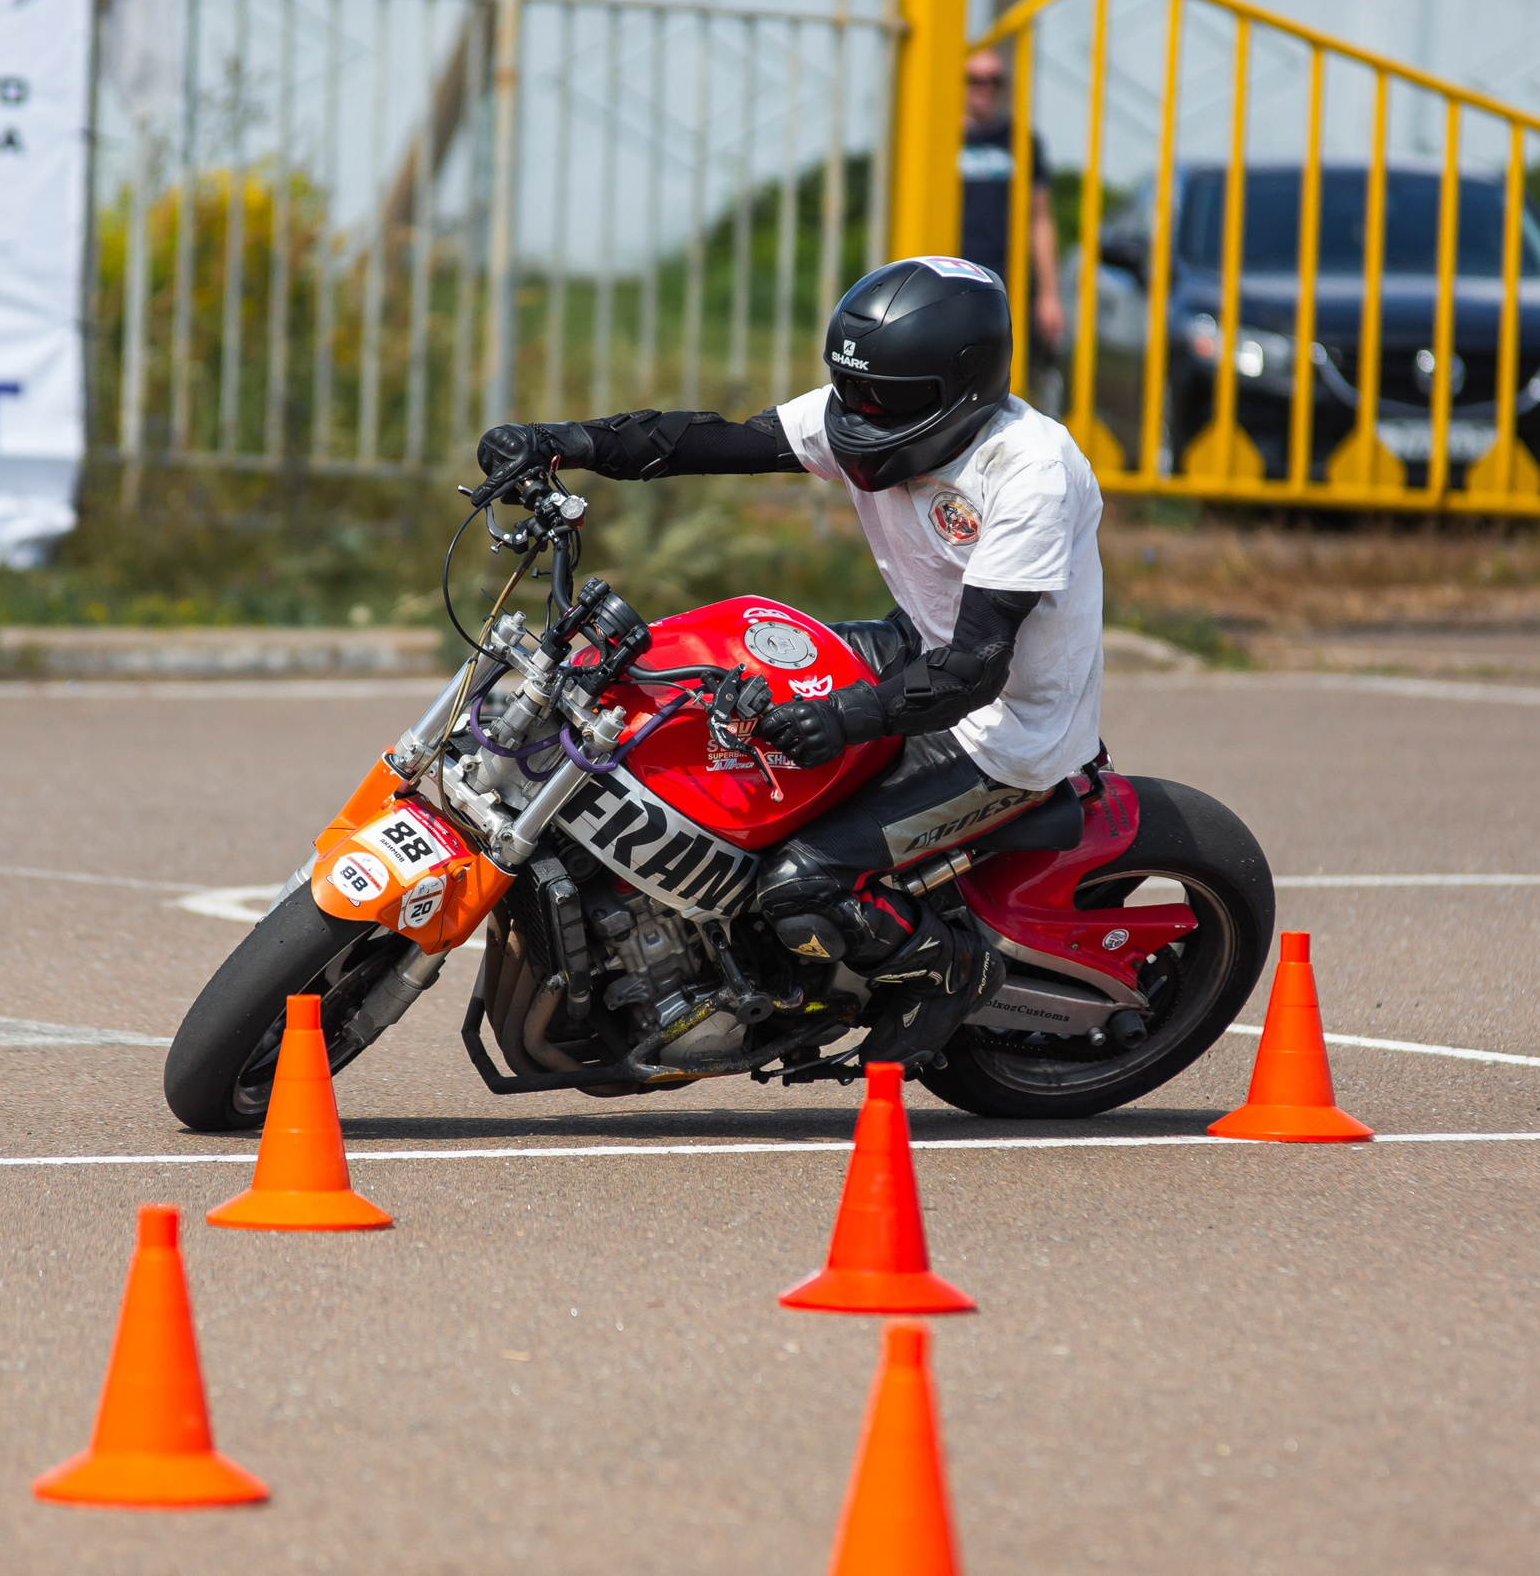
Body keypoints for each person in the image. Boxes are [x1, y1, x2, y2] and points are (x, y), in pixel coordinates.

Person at [473, 256, 1105, 1070]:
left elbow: (976, 667)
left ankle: (952, 970)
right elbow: (712, 439)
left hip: (1007, 724)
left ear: (962, 386)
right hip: (910, 640)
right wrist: (568, 442)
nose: (860, 417)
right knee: (673, 697)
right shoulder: (862, 410)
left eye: (887, 399)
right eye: (853, 392)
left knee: (798, 885)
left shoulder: (1030, 471)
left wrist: (843, 719)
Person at [958, 47, 1067, 383]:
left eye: (994, 80)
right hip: (950, 271)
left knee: (1008, 378)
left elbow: (1041, 218)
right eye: (974, 80)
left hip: (1008, 280)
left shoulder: (1023, 141)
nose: (984, 88)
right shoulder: (940, 137)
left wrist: (1049, 293)